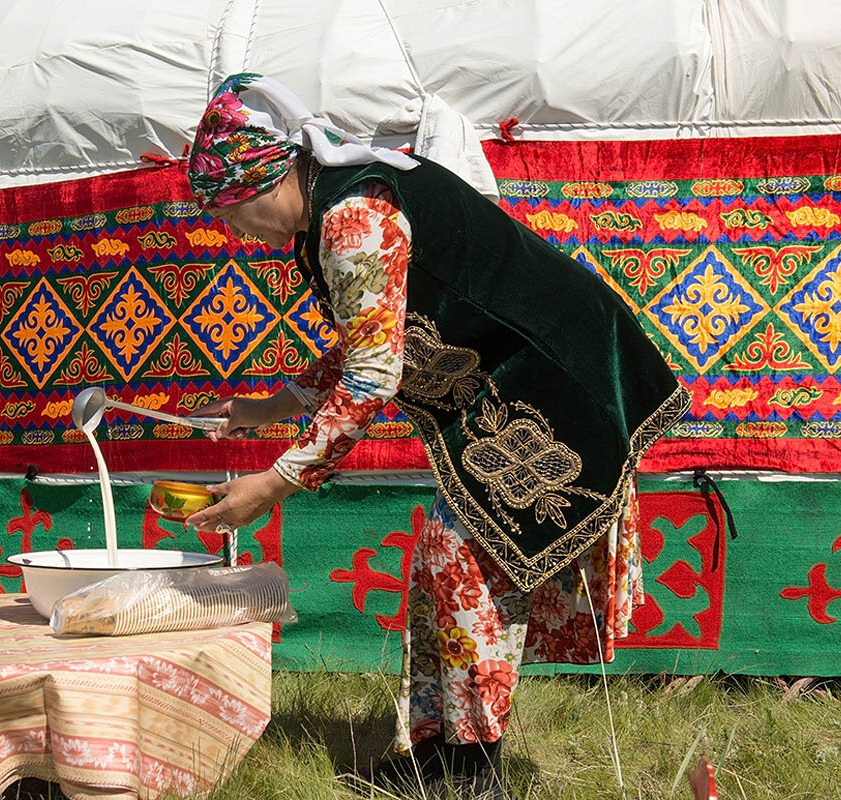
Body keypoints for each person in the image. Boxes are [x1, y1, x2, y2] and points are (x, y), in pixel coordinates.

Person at [181, 74, 690, 798]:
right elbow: (376, 335)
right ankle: (439, 752)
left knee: (463, 560)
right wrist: (272, 407)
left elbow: (369, 379)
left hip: (551, 376)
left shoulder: (354, 218)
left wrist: (273, 484)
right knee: (443, 559)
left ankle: (474, 771)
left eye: (228, 210)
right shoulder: (337, 207)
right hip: (509, 381)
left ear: (264, 176)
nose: (231, 230)